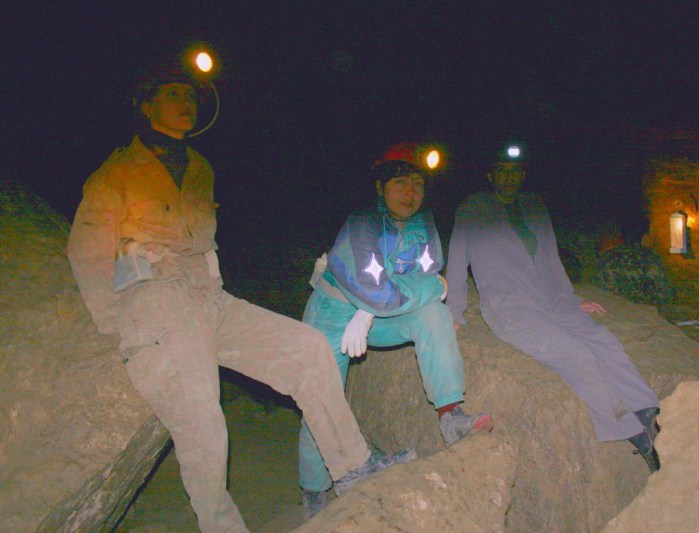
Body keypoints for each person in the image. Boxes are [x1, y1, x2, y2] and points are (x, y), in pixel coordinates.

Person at [67, 59, 413, 533]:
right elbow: (86, 250)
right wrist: (117, 325)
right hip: (157, 302)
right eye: (173, 94)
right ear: (146, 106)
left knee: (308, 348)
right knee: (203, 422)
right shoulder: (117, 171)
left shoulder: (199, 167)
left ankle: (353, 468)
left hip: (210, 297)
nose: (186, 103)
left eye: (190, 96)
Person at [298, 143, 494, 517]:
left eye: (418, 183)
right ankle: (313, 489)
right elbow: (389, 290)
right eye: (400, 182)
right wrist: (432, 286)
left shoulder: (423, 223)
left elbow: (423, 272)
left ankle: (450, 414)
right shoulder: (362, 223)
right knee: (320, 395)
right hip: (333, 313)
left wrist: (383, 302)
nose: (410, 192)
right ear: (379, 187)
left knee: (434, 314)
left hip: (376, 317)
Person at [445, 142, 661, 473]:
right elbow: (458, 262)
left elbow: (550, 258)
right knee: (574, 353)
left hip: (551, 297)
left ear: (523, 175)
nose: (509, 178)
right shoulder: (473, 208)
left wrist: (572, 298)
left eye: (515, 171)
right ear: (490, 175)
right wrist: (455, 313)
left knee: (603, 340)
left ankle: (646, 411)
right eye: (502, 171)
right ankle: (631, 431)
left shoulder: (534, 205)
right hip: (510, 303)